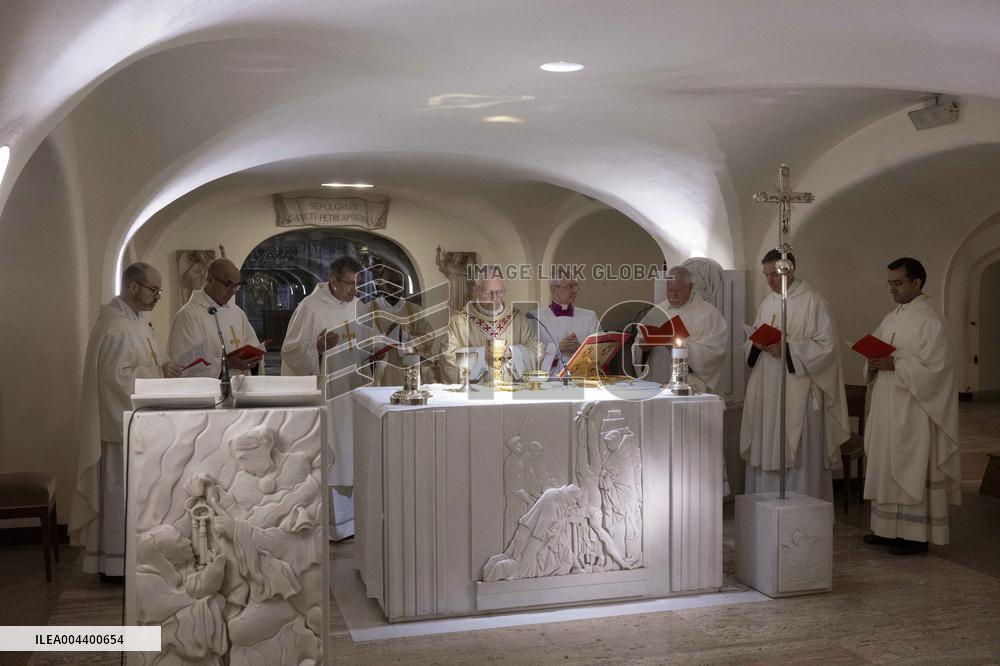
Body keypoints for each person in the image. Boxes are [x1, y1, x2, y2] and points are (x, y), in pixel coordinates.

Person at [69, 261, 182, 577]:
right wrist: (158, 372)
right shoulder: (114, 327)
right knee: (119, 494)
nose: (158, 296)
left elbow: (146, 364)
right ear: (133, 287)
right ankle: (115, 564)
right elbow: (114, 383)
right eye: (154, 289)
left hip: (136, 426)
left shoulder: (137, 323)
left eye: (160, 290)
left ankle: (132, 559)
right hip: (118, 430)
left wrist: (165, 367)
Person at [862, 258, 961, 555]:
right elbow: (877, 350)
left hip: (913, 408)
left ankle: (914, 536)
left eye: (898, 283)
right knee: (886, 462)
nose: (892, 289)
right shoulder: (891, 318)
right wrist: (872, 362)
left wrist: (897, 364)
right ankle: (887, 529)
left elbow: (939, 371)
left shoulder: (931, 320)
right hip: (886, 403)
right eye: (889, 283)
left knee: (909, 464)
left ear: (916, 283)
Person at [740, 250, 850, 502]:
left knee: (798, 453)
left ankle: (804, 514)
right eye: (766, 276)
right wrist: (755, 345)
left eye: (775, 275)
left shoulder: (814, 301)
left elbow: (827, 347)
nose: (771, 282)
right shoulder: (767, 303)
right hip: (767, 390)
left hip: (798, 390)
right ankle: (765, 511)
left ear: (791, 269)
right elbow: (751, 342)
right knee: (767, 446)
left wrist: (788, 348)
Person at [281, 255, 369, 540]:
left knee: (352, 453)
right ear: (333, 281)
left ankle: (354, 523)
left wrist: (375, 347)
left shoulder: (358, 305)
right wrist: (316, 347)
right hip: (328, 394)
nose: (354, 291)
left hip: (354, 392)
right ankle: (331, 525)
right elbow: (291, 352)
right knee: (333, 453)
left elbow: (367, 341)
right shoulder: (310, 308)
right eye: (349, 284)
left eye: (358, 284)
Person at [439, 268, 542, 384]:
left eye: (499, 292)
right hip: (475, 395)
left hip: (511, 391)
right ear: (476, 290)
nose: (494, 299)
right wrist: (482, 354)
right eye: (488, 293)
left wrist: (512, 352)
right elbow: (447, 357)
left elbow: (536, 349)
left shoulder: (518, 319)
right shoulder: (459, 321)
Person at [636, 265, 729, 393]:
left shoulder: (708, 314)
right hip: (657, 379)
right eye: (669, 290)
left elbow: (715, 352)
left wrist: (680, 346)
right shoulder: (657, 311)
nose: (673, 295)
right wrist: (643, 348)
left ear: (690, 287)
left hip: (689, 383)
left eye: (677, 291)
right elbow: (638, 342)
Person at [168, 257, 262, 379]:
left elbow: (252, 343)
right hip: (209, 393)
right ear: (210, 279)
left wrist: (254, 357)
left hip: (240, 386)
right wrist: (227, 363)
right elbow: (184, 365)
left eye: (236, 286)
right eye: (228, 285)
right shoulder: (188, 315)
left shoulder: (237, 312)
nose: (232, 292)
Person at [367, 265, 442, 386]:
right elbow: (363, 340)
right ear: (380, 285)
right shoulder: (369, 309)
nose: (394, 287)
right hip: (380, 372)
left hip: (409, 369)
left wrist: (407, 339)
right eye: (389, 283)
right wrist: (381, 341)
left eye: (398, 283)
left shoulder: (413, 309)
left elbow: (428, 336)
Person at [530, 277, 601, 378]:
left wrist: (581, 349)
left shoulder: (589, 317)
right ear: (554, 289)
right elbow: (530, 352)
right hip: (549, 380)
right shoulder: (535, 317)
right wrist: (557, 348)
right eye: (569, 287)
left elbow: (600, 350)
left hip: (581, 379)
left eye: (575, 286)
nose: (574, 291)